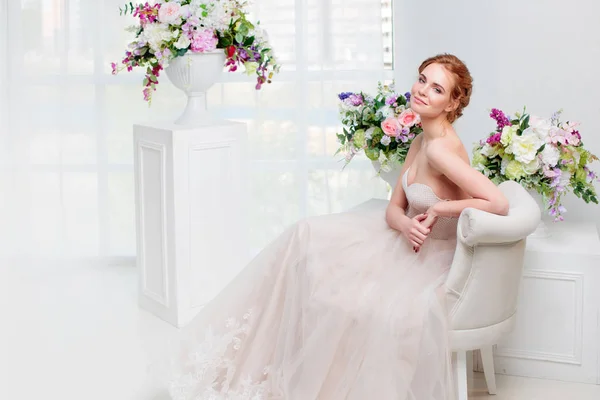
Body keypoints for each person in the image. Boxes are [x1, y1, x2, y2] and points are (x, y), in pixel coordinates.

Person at [166, 54, 509, 400]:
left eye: (436, 89)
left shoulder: (441, 151)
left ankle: (289, 374)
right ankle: (256, 361)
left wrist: (441, 207)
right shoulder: (422, 140)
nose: (422, 90)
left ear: (452, 103)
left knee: (346, 293)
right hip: (408, 240)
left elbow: (498, 203)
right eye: (421, 79)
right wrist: (406, 226)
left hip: (433, 260)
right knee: (305, 237)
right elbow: (394, 208)